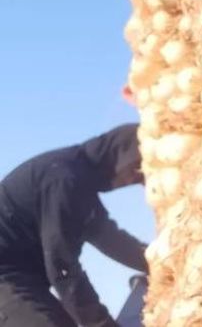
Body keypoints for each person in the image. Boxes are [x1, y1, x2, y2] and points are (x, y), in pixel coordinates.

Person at [0, 124, 148, 327]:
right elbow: (62, 269)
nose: (134, 181)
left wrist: (160, 265)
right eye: (137, 172)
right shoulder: (63, 179)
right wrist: (102, 324)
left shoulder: (79, 186)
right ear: (124, 155)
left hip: (23, 275)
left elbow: (114, 242)